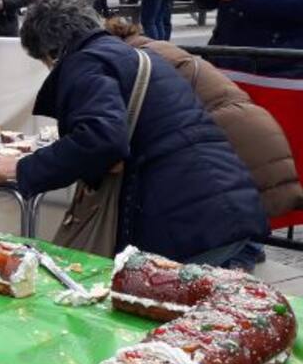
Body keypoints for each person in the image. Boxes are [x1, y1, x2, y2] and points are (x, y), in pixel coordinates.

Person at [0, 0, 266, 266]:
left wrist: (25, 168)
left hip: (192, 226)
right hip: (220, 209)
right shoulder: (124, 53)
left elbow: (102, 139)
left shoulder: (86, 63)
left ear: (52, 51)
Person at [104, 16, 303, 223]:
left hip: (235, 148)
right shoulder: (154, 49)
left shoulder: (134, 60)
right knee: (246, 220)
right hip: (252, 138)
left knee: (237, 225)